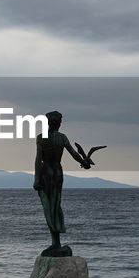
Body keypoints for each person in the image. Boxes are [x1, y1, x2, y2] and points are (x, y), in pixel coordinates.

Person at [33, 110, 91, 257]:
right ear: (58, 123)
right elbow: (74, 154)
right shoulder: (62, 138)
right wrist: (84, 163)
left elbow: (38, 159)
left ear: (48, 122)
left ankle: (55, 242)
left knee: (49, 207)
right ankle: (56, 243)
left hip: (46, 173)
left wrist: (36, 179)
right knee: (55, 205)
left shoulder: (41, 137)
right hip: (57, 173)